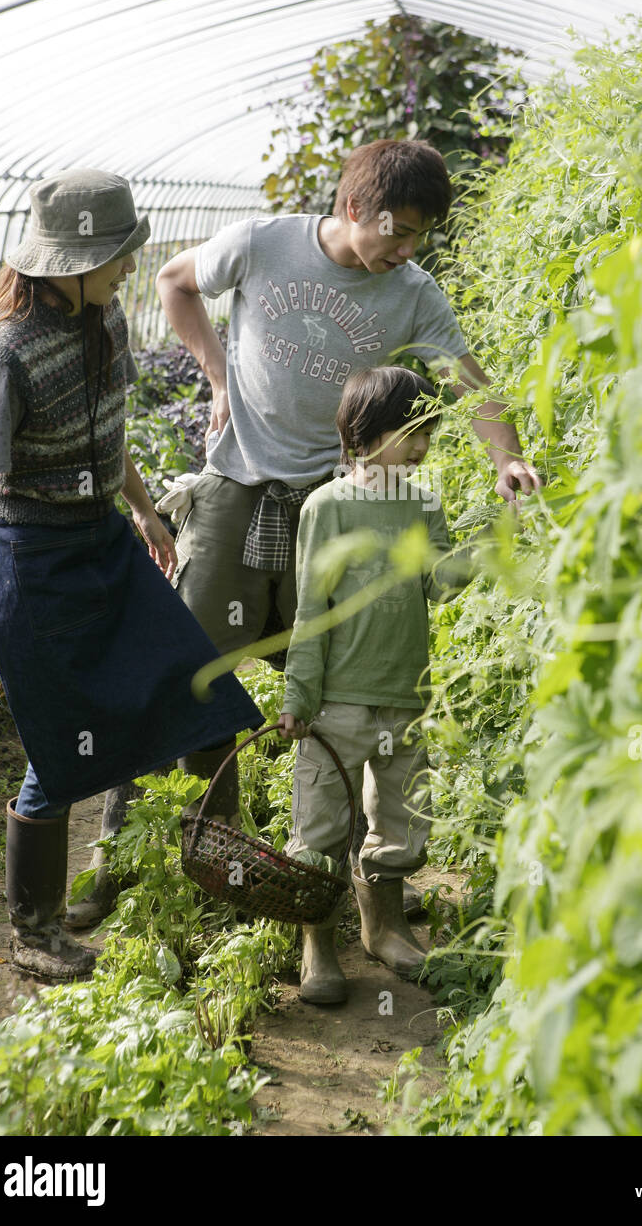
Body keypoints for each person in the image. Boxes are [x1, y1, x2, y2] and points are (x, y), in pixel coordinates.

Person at [149, 139, 541, 919]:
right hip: (238, 479)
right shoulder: (263, 244)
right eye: (396, 233)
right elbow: (172, 281)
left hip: (336, 497)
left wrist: (509, 460)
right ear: (354, 207)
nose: (404, 252)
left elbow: (466, 379)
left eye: (419, 239)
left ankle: (341, 869)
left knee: (338, 679)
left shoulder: (413, 291)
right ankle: (205, 840)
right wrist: (219, 375)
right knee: (198, 658)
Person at [0, 170, 264, 981]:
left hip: (105, 544)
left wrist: (144, 510)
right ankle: (34, 931)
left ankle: (216, 871)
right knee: (55, 749)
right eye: (118, 255)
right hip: (33, 560)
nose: (131, 266)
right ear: (69, 262)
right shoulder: (5, 357)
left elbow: (108, 429)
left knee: (203, 690)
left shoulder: (106, 318)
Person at [277, 366, 482, 1004]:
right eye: (410, 430)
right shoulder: (327, 507)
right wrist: (298, 699)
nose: (422, 444)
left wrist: (495, 535)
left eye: (430, 430)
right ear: (366, 432)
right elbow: (310, 611)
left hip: (404, 693)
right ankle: (319, 942)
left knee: (398, 816)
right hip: (336, 701)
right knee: (322, 824)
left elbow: (442, 583)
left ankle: (384, 926)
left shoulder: (424, 501)